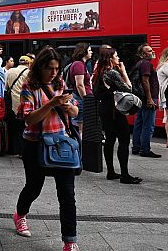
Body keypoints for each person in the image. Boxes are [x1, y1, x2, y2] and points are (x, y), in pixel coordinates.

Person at [12, 48, 86, 251]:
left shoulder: (61, 84)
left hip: (61, 144)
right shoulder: (29, 87)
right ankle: (20, 214)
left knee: (67, 195)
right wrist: (52, 104)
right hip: (35, 145)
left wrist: (69, 106)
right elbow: (29, 119)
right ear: (40, 67)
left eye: (56, 68)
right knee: (34, 186)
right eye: (49, 68)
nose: (53, 73)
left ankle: (70, 244)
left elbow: (74, 113)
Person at [93, 48, 142, 184]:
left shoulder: (98, 73)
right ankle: (125, 174)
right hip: (115, 110)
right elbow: (128, 88)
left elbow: (96, 93)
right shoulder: (112, 73)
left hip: (104, 109)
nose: (118, 58)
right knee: (124, 139)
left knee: (110, 139)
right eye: (116, 56)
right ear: (110, 59)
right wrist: (124, 72)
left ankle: (110, 171)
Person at [131, 43, 161, 158]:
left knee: (139, 122)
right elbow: (145, 81)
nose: (152, 52)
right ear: (143, 54)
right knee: (148, 124)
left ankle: (136, 147)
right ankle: (145, 149)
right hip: (148, 97)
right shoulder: (146, 64)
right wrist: (149, 99)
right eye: (149, 51)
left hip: (140, 97)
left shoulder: (139, 63)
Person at [6, 55, 32, 155]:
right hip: (24, 102)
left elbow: (7, 87)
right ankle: (22, 150)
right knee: (23, 127)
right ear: (28, 63)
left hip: (12, 103)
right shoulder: (29, 73)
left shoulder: (10, 71)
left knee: (13, 127)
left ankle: (13, 149)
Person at [68, 43, 92, 128]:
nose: (91, 52)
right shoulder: (79, 64)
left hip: (81, 98)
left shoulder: (80, 64)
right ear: (83, 52)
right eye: (89, 50)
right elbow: (79, 85)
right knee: (80, 125)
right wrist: (86, 99)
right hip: (80, 98)